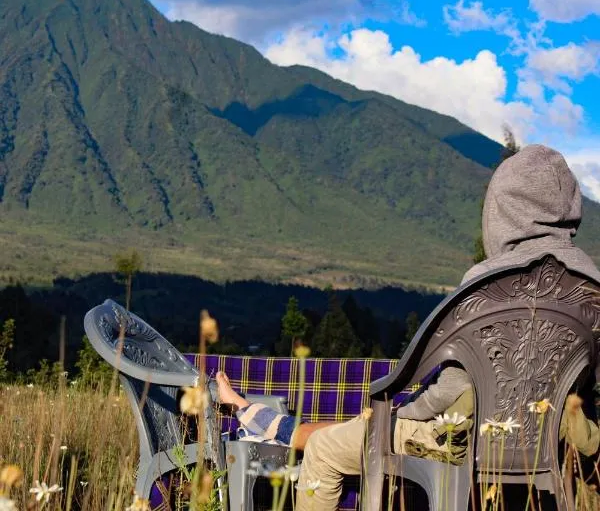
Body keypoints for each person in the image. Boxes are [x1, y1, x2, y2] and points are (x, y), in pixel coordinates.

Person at [222, 145, 600, 511]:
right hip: (552, 443)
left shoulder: (488, 281)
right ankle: (253, 414)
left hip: (462, 440)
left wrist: (402, 413)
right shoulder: (592, 284)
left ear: (501, 210)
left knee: (325, 448)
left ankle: (249, 413)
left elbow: (452, 390)